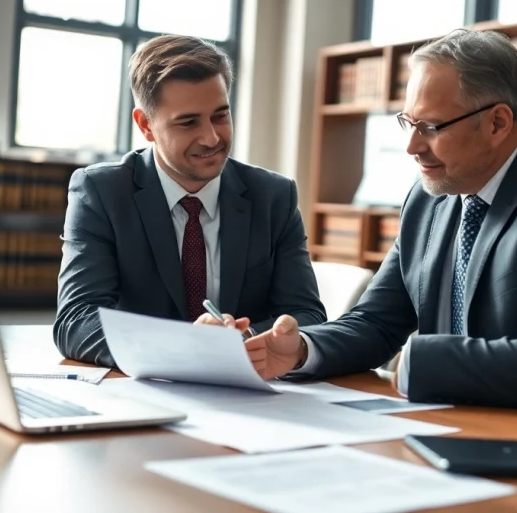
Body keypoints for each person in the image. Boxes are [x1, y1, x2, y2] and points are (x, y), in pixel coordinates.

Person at [243, 28, 517, 432]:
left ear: (497, 123)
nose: (412, 146)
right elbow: (377, 322)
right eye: (408, 122)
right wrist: (301, 350)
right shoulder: (432, 192)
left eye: (431, 127)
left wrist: (418, 359)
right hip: (467, 423)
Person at [55, 34, 327, 368]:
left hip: (246, 393)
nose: (212, 138)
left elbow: (308, 314)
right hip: (143, 392)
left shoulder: (273, 197)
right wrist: (187, 346)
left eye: (220, 116)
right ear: (146, 126)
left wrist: (237, 341)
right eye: (188, 122)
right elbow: (76, 321)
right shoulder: (101, 193)